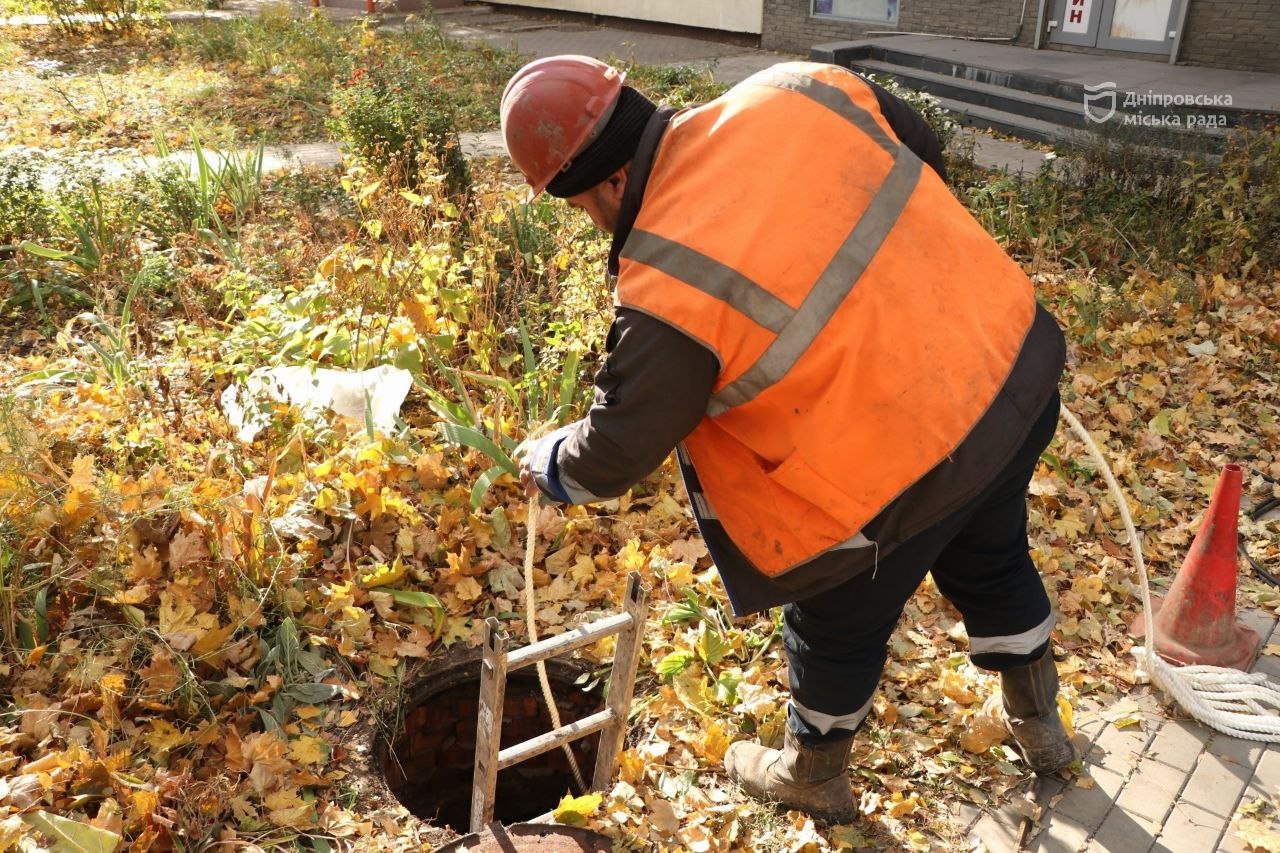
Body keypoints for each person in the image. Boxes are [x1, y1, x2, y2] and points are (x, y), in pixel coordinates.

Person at [503, 55, 1073, 822]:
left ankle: (813, 771)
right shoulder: (795, 88)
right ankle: (1043, 732)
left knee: (833, 621)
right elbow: (921, 156)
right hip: (1004, 372)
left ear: (605, 182)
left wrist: (552, 462)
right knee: (994, 553)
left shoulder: (666, 279)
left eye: (580, 208)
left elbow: (617, 448)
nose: (593, 223)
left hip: (891, 474)